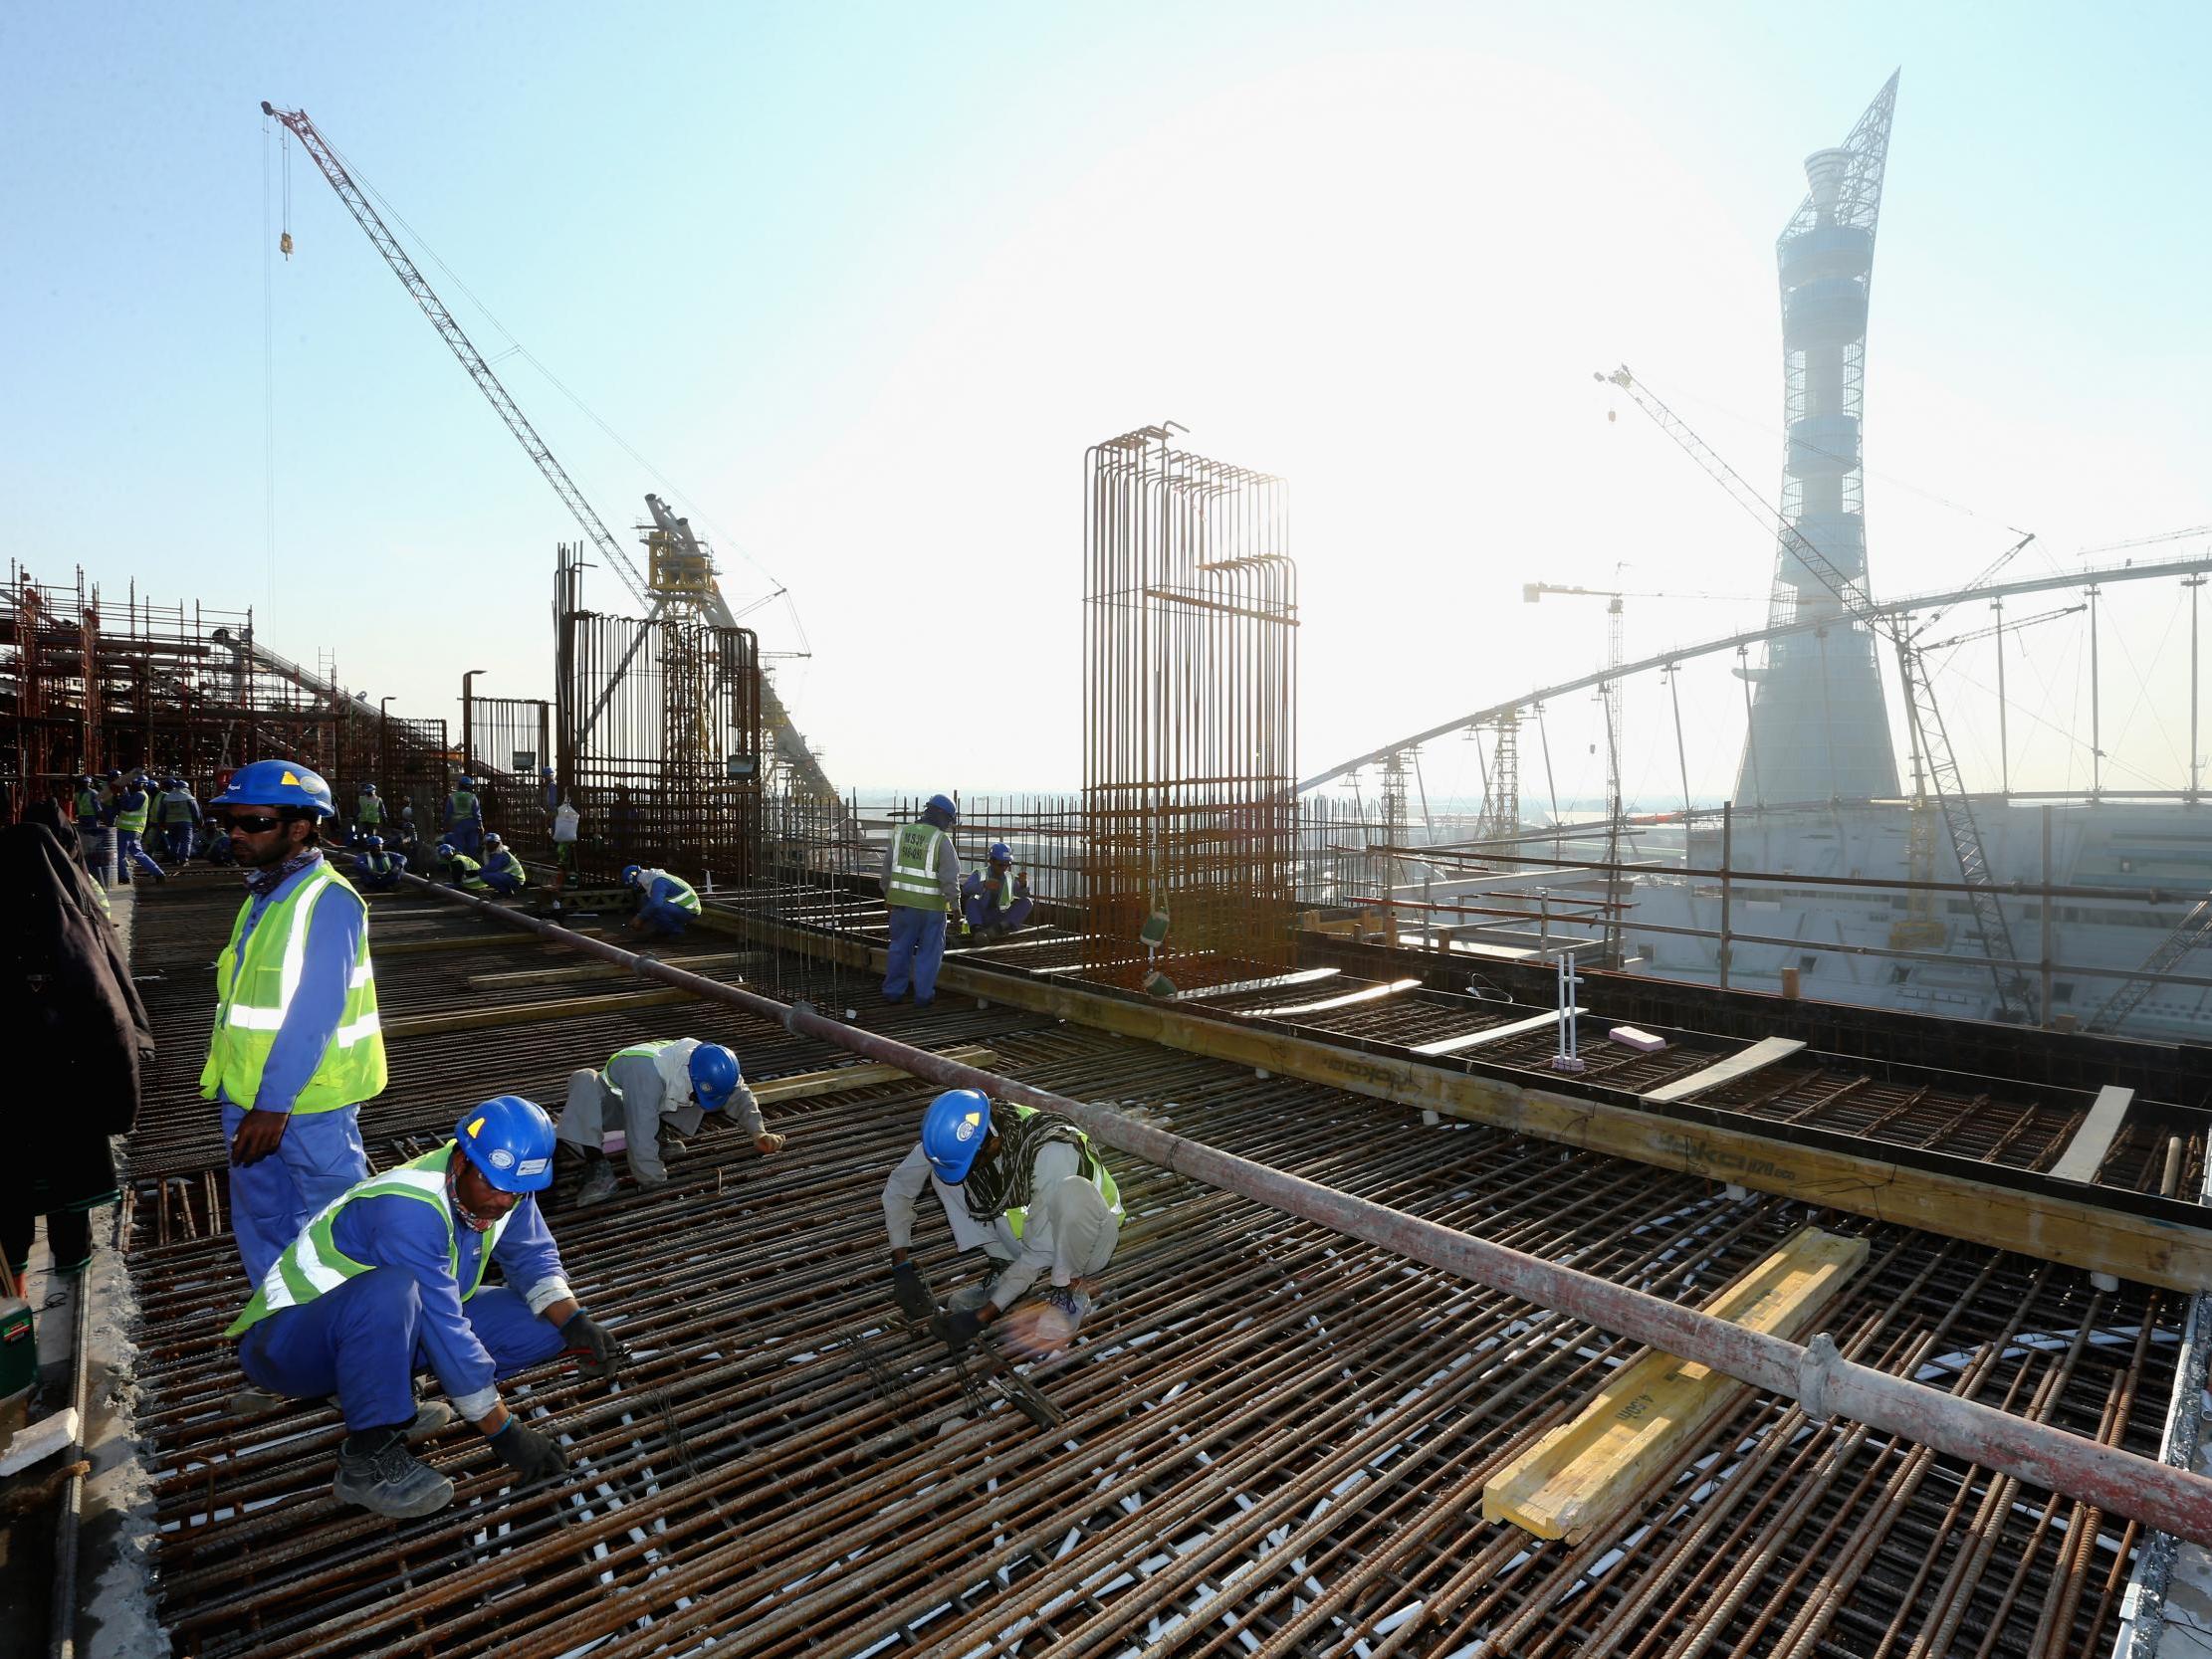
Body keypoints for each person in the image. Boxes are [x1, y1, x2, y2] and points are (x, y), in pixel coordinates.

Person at [225, 1096, 621, 1518]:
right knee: (394, 1290)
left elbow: (532, 1257)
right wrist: (503, 1432)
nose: (504, 1202)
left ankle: (387, 1394)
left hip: (372, 1329)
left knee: (543, 1325)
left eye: (517, 1192)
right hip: (287, 1346)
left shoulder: (505, 1188)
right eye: (494, 1186)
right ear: (462, 1161)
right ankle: (365, 1460)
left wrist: (577, 1322)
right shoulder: (407, 1208)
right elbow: (444, 1327)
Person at [201, 759, 385, 1284]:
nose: (236, 833)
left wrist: (274, 1104)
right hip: (245, 1095)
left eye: (253, 823)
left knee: (340, 1222)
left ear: (299, 828)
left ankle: (358, 1324)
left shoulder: (328, 900)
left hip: (308, 1103)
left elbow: (315, 1011)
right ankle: (281, 1313)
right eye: (229, 822)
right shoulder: (264, 894)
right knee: (264, 1219)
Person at [0, 803, 152, 1293]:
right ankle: (67, 1269)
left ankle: (15, 1283)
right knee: (68, 1176)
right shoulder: (71, 913)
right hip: (65, 1077)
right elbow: (110, 1002)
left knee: (12, 1190)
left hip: (22, 1082)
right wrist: (123, 1084)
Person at [883, 1089, 1122, 1357]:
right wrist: (901, 1266)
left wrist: (982, 1317)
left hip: (1089, 1242)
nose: (970, 1167)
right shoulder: (960, 1138)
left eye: (974, 1159)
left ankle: (1070, 1292)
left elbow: (1039, 1253)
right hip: (1031, 1233)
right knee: (946, 1176)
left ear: (992, 1141)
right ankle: (1003, 1266)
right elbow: (899, 1188)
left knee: (1073, 1192)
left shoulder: (1052, 1149)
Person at [558, 1039, 783, 1206]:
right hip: (612, 1111)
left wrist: (758, 1133)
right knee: (584, 1078)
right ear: (689, 1077)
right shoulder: (649, 1073)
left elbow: (740, 1093)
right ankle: (597, 1165)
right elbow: (640, 1132)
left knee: (684, 1097)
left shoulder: (712, 1063)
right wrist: (656, 1185)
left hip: (649, 1101)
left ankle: (661, 1139)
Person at [880, 793, 962, 1006]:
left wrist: (888, 895)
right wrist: (955, 906)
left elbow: (886, 872)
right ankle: (923, 996)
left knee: (899, 948)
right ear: (943, 816)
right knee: (929, 952)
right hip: (931, 909)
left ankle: (893, 992)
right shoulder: (940, 840)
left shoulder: (901, 834)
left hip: (902, 905)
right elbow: (949, 877)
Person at [961, 842, 1033, 940]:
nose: (1004, 868)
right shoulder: (980, 874)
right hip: (982, 916)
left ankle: (1000, 928)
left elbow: (1024, 895)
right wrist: (983, 884)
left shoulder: (1009, 877)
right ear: (991, 861)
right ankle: (978, 932)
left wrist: (1023, 884)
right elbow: (966, 889)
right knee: (972, 901)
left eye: (1007, 865)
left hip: (1000, 918)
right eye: (1000, 865)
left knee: (1027, 902)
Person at [111, 772, 168, 885]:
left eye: (133, 783)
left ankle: (123, 877)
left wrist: (124, 793)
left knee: (120, 855)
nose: (131, 785)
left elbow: (128, 807)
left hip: (127, 829)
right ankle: (158, 873)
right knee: (138, 853)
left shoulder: (140, 795)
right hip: (133, 830)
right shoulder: (138, 794)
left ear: (140, 784)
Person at [623, 864, 701, 937]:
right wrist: (641, 918)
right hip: (680, 907)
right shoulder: (654, 878)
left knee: (656, 907)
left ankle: (677, 932)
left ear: (638, 882)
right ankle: (663, 929)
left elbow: (656, 904)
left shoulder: (659, 881)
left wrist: (640, 918)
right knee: (646, 899)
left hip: (690, 910)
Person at [157, 776, 202, 864]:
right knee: (186, 841)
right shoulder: (189, 798)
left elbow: (161, 813)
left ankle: (174, 859)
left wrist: (161, 823)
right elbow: (196, 812)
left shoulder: (167, 798)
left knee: (173, 841)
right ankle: (183, 860)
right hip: (186, 822)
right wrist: (199, 822)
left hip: (170, 823)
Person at [72, 774, 107, 875]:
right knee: (84, 839)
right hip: (82, 818)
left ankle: (92, 857)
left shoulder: (93, 793)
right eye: (83, 783)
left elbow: (98, 808)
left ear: (90, 783)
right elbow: (76, 806)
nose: (85, 784)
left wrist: (100, 818)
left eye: (87, 783)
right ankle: (87, 857)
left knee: (93, 839)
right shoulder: (77, 794)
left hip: (91, 818)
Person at [444, 775, 484, 859]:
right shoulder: (473, 797)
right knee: (473, 848)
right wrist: (480, 825)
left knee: (459, 848)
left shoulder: (452, 797)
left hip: (458, 825)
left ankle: (461, 866)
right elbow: (477, 813)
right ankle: (473, 867)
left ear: (460, 785)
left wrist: (446, 823)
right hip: (472, 824)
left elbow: (448, 813)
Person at [353, 782, 386, 847]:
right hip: (363, 819)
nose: (368, 793)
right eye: (367, 791)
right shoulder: (361, 799)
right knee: (360, 833)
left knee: (371, 835)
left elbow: (382, 809)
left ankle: (370, 847)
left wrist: (385, 816)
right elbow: (357, 809)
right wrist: (355, 817)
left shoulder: (378, 799)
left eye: (370, 791)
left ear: (374, 791)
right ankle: (360, 846)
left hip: (373, 820)